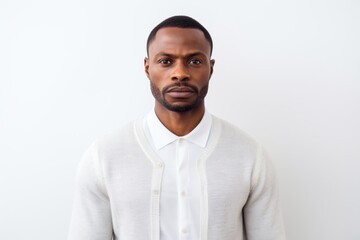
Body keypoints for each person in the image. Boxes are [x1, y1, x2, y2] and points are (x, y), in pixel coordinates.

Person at [68, 15, 286, 240]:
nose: (180, 73)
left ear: (210, 68)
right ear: (147, 67)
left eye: (194, 61)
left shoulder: (249, 156)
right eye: (166, 61)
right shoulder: (104, 157)